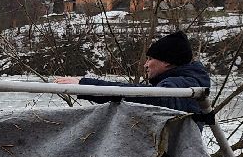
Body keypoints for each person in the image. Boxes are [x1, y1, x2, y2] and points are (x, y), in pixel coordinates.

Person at [55, 31, 209, 115]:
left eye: (150, 59)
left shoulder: (183, 85)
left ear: (167, 62)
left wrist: (85, 86)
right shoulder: (192, 81)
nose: (146, 64)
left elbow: (151, 96)